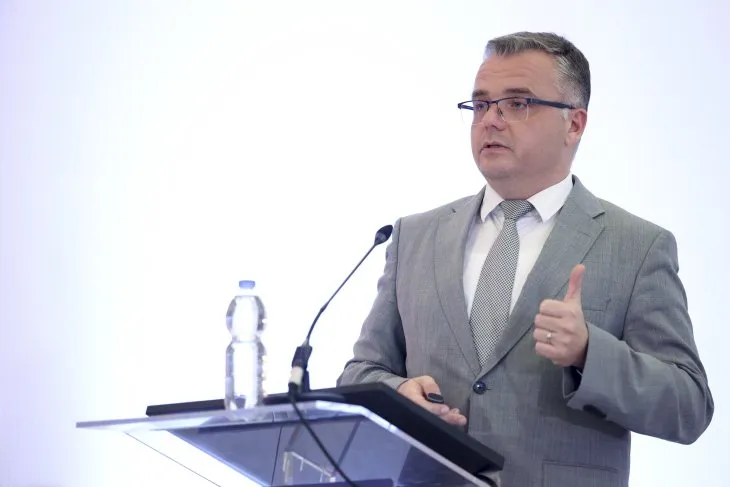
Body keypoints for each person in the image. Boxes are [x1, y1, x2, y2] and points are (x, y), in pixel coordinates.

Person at [337, 31, 714, 487]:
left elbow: (688, 406)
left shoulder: (637, 246)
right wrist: (399, 392)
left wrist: (589, 353)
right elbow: (360, 373)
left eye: (517, 104)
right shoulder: (413, 237)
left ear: (574, 124)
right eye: (481, 104)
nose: (491, 121)